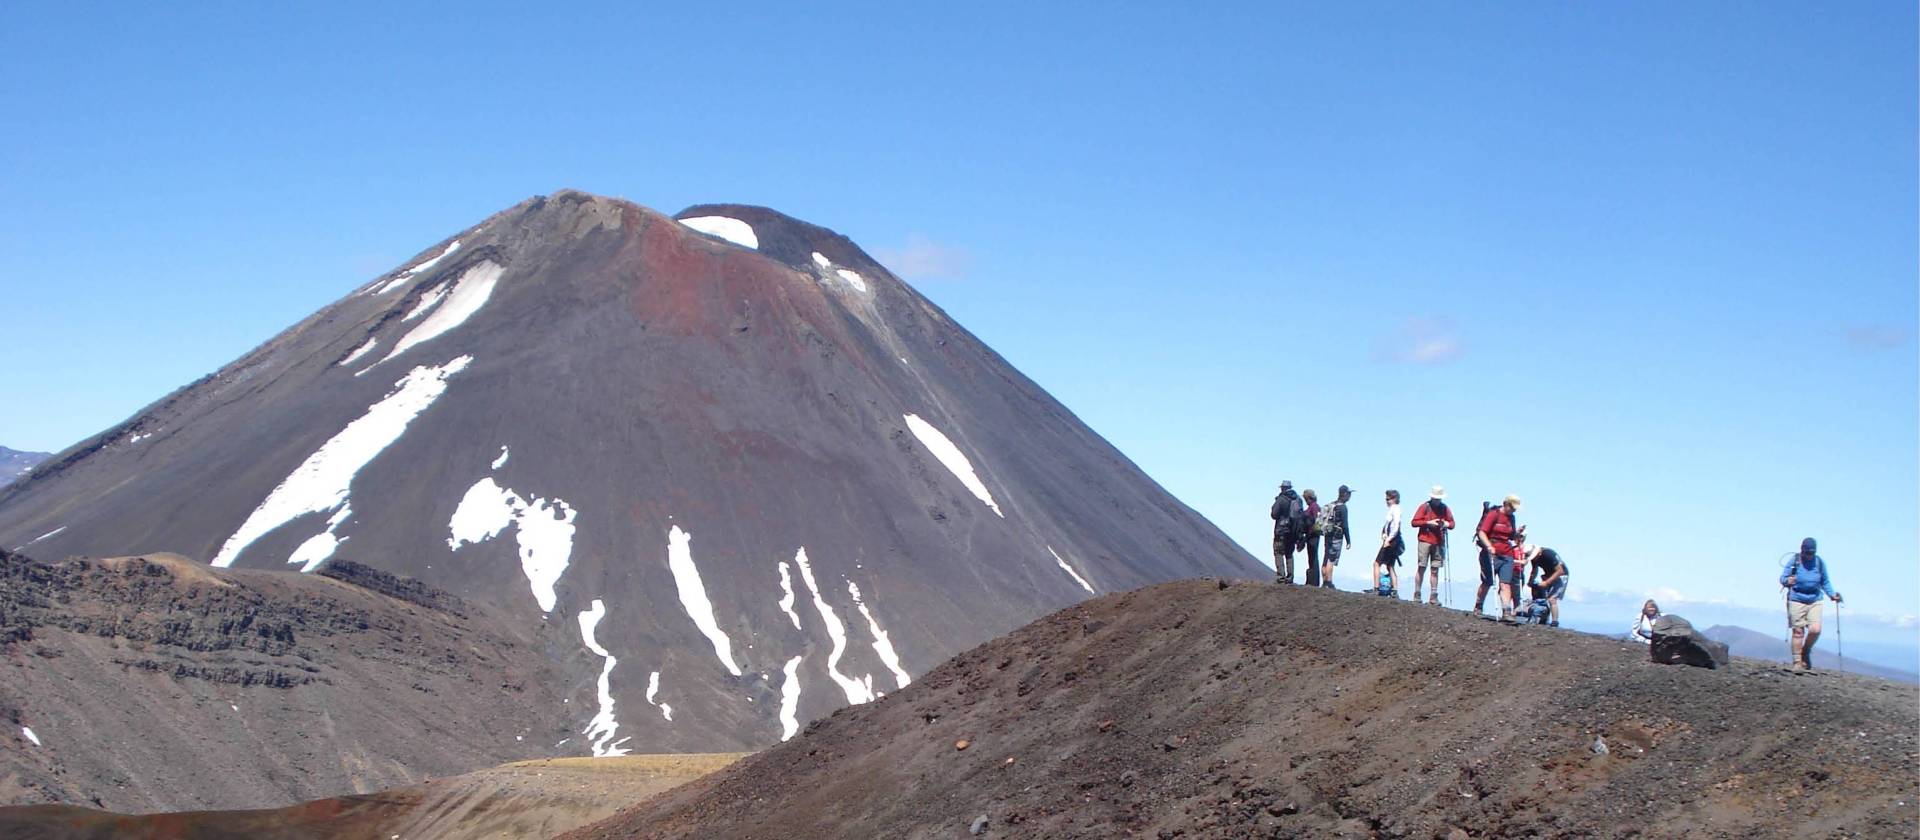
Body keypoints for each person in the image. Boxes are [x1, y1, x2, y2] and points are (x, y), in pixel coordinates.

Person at [1780, 537, 1843, 671]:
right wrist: (1787, 581)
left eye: (1812, 553)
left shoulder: (1819, 563)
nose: (1809, 555)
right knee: (1798, 631)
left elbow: (1825, 581)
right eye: (1807, 552)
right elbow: (1783, 578)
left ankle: (1806, 650)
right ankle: (1797, 662)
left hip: (1815, 599)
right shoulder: (1794, 561)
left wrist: (1832, 595)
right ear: (1802, 550)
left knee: (1815, 630)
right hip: (1796, 598)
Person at [1474, 494, 1526, 622]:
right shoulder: (1494, 514)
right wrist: (1489, 546)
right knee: (1487, 582)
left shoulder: (1511, 518)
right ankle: (1478, 606)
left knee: (1505, 583)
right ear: (1506, 504)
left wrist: (1517, 533)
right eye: (1512, 508)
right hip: (1491, 552)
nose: (1513, 511)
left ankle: (1506, 611)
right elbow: (1482, 532)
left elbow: (1511, 536)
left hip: (1506, 553)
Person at [1409, 486, 1455, 606]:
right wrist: (1428, 523)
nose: (1437, 500)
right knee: (1422, 566)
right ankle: (1417, 593)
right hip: (1425, 540)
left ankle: (1433, 596)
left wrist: (1446, 523)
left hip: (1438, 541)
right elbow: (1414, 522)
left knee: (1435, 569)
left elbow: (1452, 524)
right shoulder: (1425, 507)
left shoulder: (1445, 509)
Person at [1523, 544, 1568, 627]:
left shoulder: (1548, 554)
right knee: (1543, 597)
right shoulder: (1535, 558)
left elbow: (1560, 571)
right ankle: (1542, 618)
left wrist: (1547, 582)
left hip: (1560, 575)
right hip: (1549, 574)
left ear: (1538, 553)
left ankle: (1555, 622)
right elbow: (1534, 569)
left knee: (1552, 598)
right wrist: (1531, 580)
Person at [1270, 481, 1303, 585]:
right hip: (1292, 532)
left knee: (1278, 553)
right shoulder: (1298, 500)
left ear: (1283, 488)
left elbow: (1274, 514)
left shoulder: (1281, 499)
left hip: (1281, 531)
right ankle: (1290, 577)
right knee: (1289, 554)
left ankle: (1281, 577)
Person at [1374, 489, 1404, 597]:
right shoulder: (1394, 509)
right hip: (1392, 539)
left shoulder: (1395, 509)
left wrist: (1388, 539)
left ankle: (1376, 588)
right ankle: (1394, 590)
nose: (1386, 501)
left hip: (1391, 541)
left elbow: (1395, 526)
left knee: (1377, 563)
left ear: (1394, 499)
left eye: (1388, 499)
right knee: (1390, 565)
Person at [1319, 486, 1351, 589]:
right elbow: (1345, 525)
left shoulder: (1332, 505)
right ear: (1345, 494)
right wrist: (1348, 540)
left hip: (1327, 534)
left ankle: (1324, 582)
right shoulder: (1343, 507)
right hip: (1337, 535)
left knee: (1326, 556)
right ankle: (1329, 581)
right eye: (1349, 494)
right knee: (1331, 559)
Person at [1301, 489, 1322, 587]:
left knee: (1313, 557)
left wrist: (1313, 530)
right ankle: (1312, 580)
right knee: (1312, 557)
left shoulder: (1314, 507)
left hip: (1313, 535)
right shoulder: (1313, 507)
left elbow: (1317, 521)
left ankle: (1313, 581)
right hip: (1312, 534)